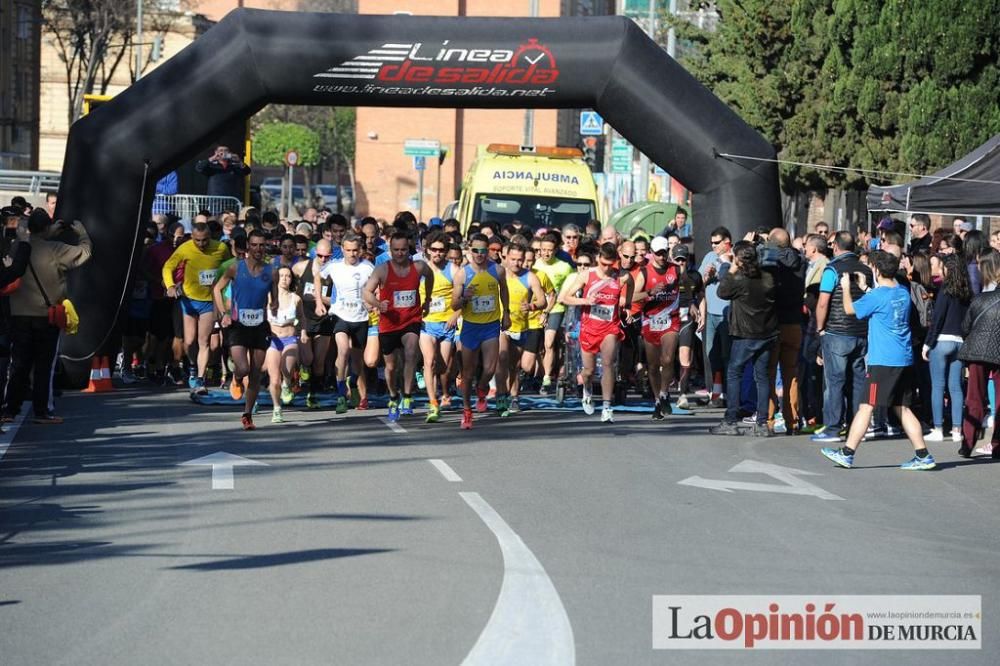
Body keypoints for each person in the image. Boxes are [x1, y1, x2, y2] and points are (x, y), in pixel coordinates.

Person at [819, 251, 935, 470]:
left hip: (883, 361)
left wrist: (846, 287)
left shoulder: (878, 296)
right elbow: (883, 302)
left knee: (866, 406)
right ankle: (923, 455)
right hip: (903, 358)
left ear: (876, 270)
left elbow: (850, 309)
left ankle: (847, 453)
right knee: (902, 408)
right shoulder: (902, 292)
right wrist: (865, 288)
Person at [3, 210, 91, 424]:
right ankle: (42, 411)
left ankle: (10, 410)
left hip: (19, 314)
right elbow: (85, 252)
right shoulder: (55, 249)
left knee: (19, 365)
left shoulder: (18, 247)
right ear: (46, 228)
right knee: (44, 366)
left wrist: (45, 233)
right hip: (46, 316)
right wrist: (82, 233)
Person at [559, 242, 634, 423]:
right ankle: (587, 389)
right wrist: (585, 301)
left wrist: (627, 303)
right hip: (589, 328)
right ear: (598, 258)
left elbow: (630, 284)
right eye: (603, 263)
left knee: (608, 364)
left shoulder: (621, 276)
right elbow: (564, 298)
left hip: (610, 327)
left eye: (610, 264)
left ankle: (607, 407)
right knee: (589, 371)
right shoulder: (587, 275)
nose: (607, 268)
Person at [708, 241, 777, 436]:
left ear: (738, 259)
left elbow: (722, 292)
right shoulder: (768, 277)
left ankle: (731, 420)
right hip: (767, 332)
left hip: (745, 333)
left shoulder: (739, 279)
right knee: (762, 376)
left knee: (734, 373)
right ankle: (762, 423)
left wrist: (731, 268)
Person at [363, 232, 434, 422]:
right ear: (390, 250)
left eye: (404, 249)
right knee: (391, 366)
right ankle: (394, 397)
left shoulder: (418, 267)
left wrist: (427, 298)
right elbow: (366, 292)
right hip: (389, 323)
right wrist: (378, 304)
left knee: (411, 352)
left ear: (409, 249)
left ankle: (408, 397)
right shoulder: (382, 270)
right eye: (396, 250)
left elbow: (430, 275)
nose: (400, 253)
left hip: (411, 319)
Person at [811, 232, 872, 443]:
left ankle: (833, 427)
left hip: (837, 331)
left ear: (836, 247)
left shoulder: (832, 269)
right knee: (857, 381)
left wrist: (820, 329)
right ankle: (856, 426)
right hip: (860, 331)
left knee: (834, 381)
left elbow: (823, 302)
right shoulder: (866, 270)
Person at [213, 229, 273, 430]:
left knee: (255, 373)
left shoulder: (270, 271)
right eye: (254, 245)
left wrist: (275, 305)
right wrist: (224, 314)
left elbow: (273, 298)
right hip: (238, 325)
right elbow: (217, 289)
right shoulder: (235, 268)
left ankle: (247, 414)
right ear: (248, 246)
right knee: (243, 368)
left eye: (262, 245)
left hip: (260, 326)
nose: (258, 249)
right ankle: (237, 378)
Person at [162, 221, 231, 394]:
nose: (201, 244)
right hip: (189, 300)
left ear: (210, 237)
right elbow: (168, 267)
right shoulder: (185, 248)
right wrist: (170, 286)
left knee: (203, 341)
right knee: (189, 341)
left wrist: (226, 292)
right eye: (197, 240)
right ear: (192, 237)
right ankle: (192, 367)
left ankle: (200, 378)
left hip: (209, 302)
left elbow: (230, 267)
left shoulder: (221, 248)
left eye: (205, 240)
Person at [451, 233, 511, 429]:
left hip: (491, 325)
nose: (479, 254)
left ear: (488, 251)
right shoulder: (462, 274)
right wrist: (464, 297)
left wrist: (506, 313)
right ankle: (467, 411)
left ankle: (482, 387)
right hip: (470, 327)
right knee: (467, 373)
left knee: (490, 369)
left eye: (483, 251)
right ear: (470, 250)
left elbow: (504, 291)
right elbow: (454, 304)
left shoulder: (498, 270)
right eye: (475, 250)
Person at [317, 233, 374, 415]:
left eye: (355, 250)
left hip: (360, 318)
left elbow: (378, 285)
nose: (352, 254)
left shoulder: (367, 267)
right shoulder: (334, 266)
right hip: (340, 315)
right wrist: (318, 301)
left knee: (357, 360)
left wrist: (373, 302)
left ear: (360, 250)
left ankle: (353, 382)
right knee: (343, 350)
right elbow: (318, 276)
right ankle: (341, 394)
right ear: (342, 250)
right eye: (348, 250)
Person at [632, 236, 684, 419]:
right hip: (650, 321)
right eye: (658, 253)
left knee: (668, 359)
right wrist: (649, 292)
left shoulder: (675, 269)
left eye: (664, 253)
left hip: (671, 320)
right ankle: (657, 401)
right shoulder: (644, 272)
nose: (662, 257)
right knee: (653, 366)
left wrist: (692, 304)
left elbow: (688, 287)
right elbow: (631, 297)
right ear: (652, 253)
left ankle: (664, 393)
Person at [922, 255, 970, 443]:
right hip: (960, 341)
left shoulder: (944, 290)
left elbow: (938, 319)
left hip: (942, 340)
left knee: (937, 386)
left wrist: (927, 343)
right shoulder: (966, 292)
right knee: (956, 387)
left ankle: (938, 429)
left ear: (947, 269)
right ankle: (957, 430)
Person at [957, 251, 1000, 458]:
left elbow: (965, 328)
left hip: (977, 351)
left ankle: (967, 443)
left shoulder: (980, 298)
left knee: (974, 398)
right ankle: (997, 445)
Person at [497, 242, 546, 416]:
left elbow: (542, 301)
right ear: (506, 257)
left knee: (514, 366)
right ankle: (501, 395)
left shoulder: (530, 277)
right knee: (502, 358)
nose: (516, 263)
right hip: (501, 326)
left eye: (520, 260)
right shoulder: (498, 274)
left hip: (520, 327)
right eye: (513, 259)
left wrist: (532, 306)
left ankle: (514, 397)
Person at [419, 232, 461, 423]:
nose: (437, 253)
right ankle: (433, 403)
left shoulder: (453, 270)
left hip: (446, 325)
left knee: (442, 367)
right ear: (427, 250)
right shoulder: (420, 269)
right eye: (434, 249)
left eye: (441, 250)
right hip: (426, 324)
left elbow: (463, 298)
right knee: (430, 362)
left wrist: (455, 315)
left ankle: (439, 391)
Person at [293, 238, 334, 408]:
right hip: (304, 318)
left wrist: (319, 298)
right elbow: (288, 287)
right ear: (314, 253)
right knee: (307, 358)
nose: (323, 259)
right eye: (320, 256)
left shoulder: (334, 272)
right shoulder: (300, 268)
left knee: (318, 364)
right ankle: (297, 373)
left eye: (327, 256)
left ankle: (312, 394)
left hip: (323, 320)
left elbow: (337, 300)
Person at [534, 232, 575, 395]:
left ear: (556, 250)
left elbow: (574, 283)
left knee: (549, 342)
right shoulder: (535, 265)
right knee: (539, 345)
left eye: (549, 250)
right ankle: (537, 373)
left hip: (556, 308)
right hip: (536, 309)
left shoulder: (564, 267)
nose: (546, 253)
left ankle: (547, 378)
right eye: (543, 250)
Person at [265, 266, 305, 423]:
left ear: (291, 280)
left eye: (288, 276)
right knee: (274, 379)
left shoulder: (296, 299)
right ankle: (277, 408)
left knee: (286, 370)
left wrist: (303, 332)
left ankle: (287, 382)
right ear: (276, 278)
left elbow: (302, 318)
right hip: (273, 340)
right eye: (281, 275)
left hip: (290, 339)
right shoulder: (268, 297)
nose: (284, 279)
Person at [699, 226, 733, 407]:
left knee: (728, 355)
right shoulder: (709, 257)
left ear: (727, 242)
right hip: (711, 313)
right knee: (711, 353)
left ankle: (730, 394)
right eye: (711, 243)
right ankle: (716, 393)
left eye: (717, 243)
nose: (713, 246)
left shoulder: (734, 257)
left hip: (727, 314)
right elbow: (699, 284)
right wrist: (707, 276)